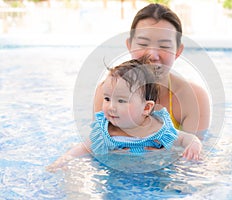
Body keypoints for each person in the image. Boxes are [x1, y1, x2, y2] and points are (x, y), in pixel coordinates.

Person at [47, 57, 202, 173]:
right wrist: (62, 162)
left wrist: (194, 145)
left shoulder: (160, 131)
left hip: (155, 177)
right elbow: (82, 149)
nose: (111, 106)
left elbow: (185, 138)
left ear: (146, 108)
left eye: (121, 101)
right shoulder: (105, 134)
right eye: (107, 98)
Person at [94, 3, 210, 138]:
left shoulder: (193, 97)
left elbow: (194, 154)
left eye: (164, 46)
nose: (152, 56)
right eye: (143, 44)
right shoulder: (107, 92)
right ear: (129, 45)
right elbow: (97, 146)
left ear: (178, 52)